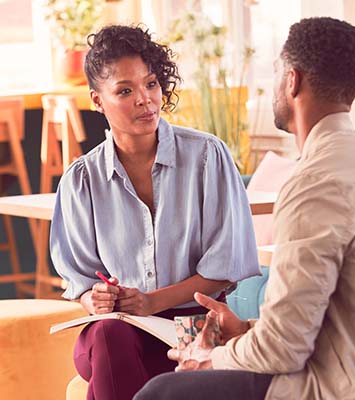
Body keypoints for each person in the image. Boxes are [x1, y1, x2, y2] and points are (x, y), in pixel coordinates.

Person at [134, 17, 355, 400]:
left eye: (275, 73)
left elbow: (283, 349)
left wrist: (211, 357)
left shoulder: (316, 181)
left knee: (162, 393)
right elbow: (324, 321)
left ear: (292, 80)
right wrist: (250, 331)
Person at [49, 24, 260, 400]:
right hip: (113, 334)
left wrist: (152, 301)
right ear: (98, 100)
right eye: (125, 91)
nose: (145, 100)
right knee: (109, 336)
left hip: (192, 328)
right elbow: (80, 281)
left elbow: (226, 265)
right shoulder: (81, 179)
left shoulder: (207, 158)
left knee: (112, 374)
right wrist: (94, 298)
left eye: (150, 84)